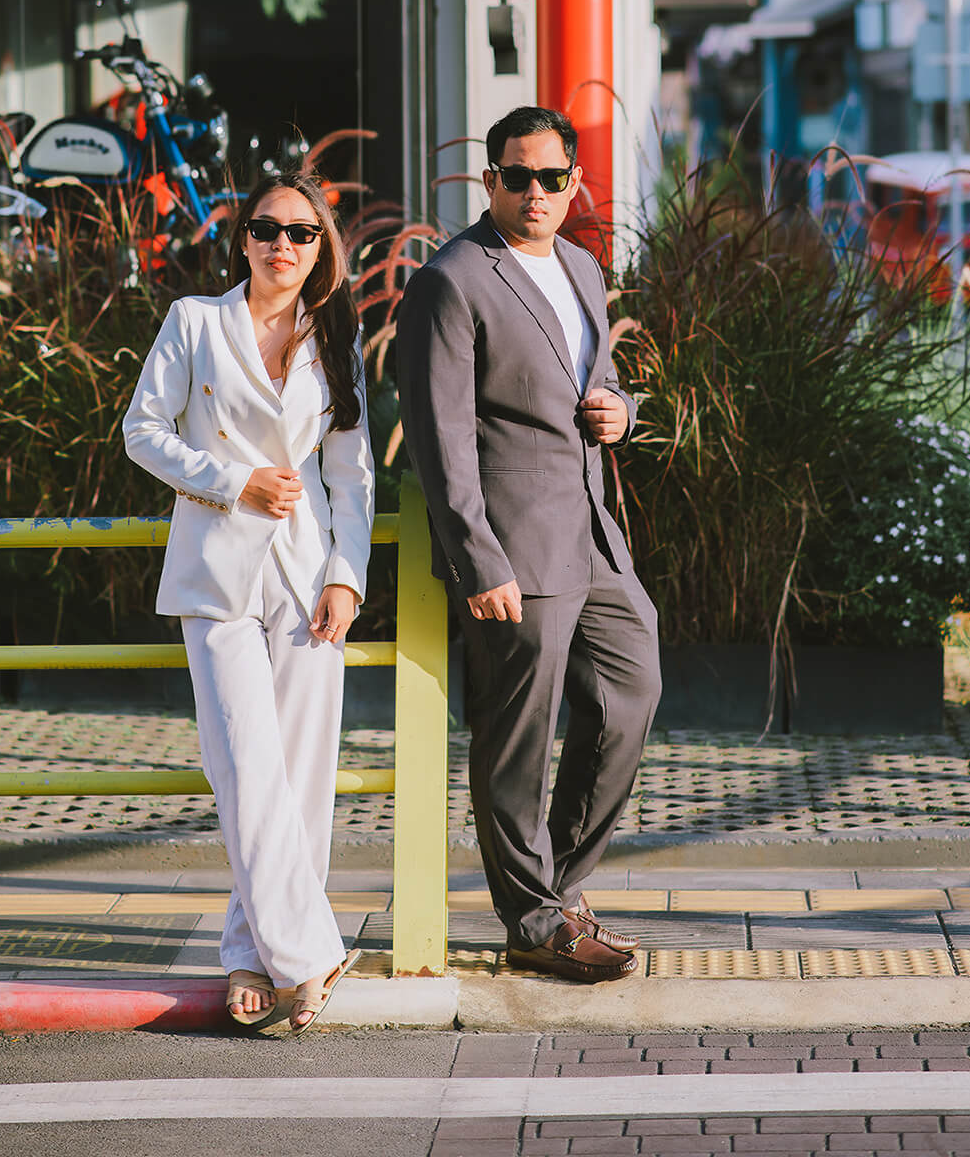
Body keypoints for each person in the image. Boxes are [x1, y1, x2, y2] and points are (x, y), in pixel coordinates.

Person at [395, 105, 661, 984]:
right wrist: (478, 558)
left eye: (551, 177)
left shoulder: (583, 266)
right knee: (518, 735)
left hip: (591, 533)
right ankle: (532, 920)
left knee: (632, 692)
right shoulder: (453, 280)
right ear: (491, 182)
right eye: (517, 176)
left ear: (574, 184)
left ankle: (560, 886)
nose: (535, 192)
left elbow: (597, 376)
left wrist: (620, 413)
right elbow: (439, 437)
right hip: (513, 547)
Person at [123, 170, 374, 1032]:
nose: (282, 245)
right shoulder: (195, 322)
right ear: (243, 238)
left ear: (321, 249)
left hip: (307, 574)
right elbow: (141, 432)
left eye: (302, 234)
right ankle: (310, 954)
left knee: (300, 775)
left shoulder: (335, 336)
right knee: (240, 764)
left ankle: (249, 956)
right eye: (268, 229)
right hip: (218, 566)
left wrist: (348, 572)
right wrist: (233, 481)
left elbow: (351, 472)